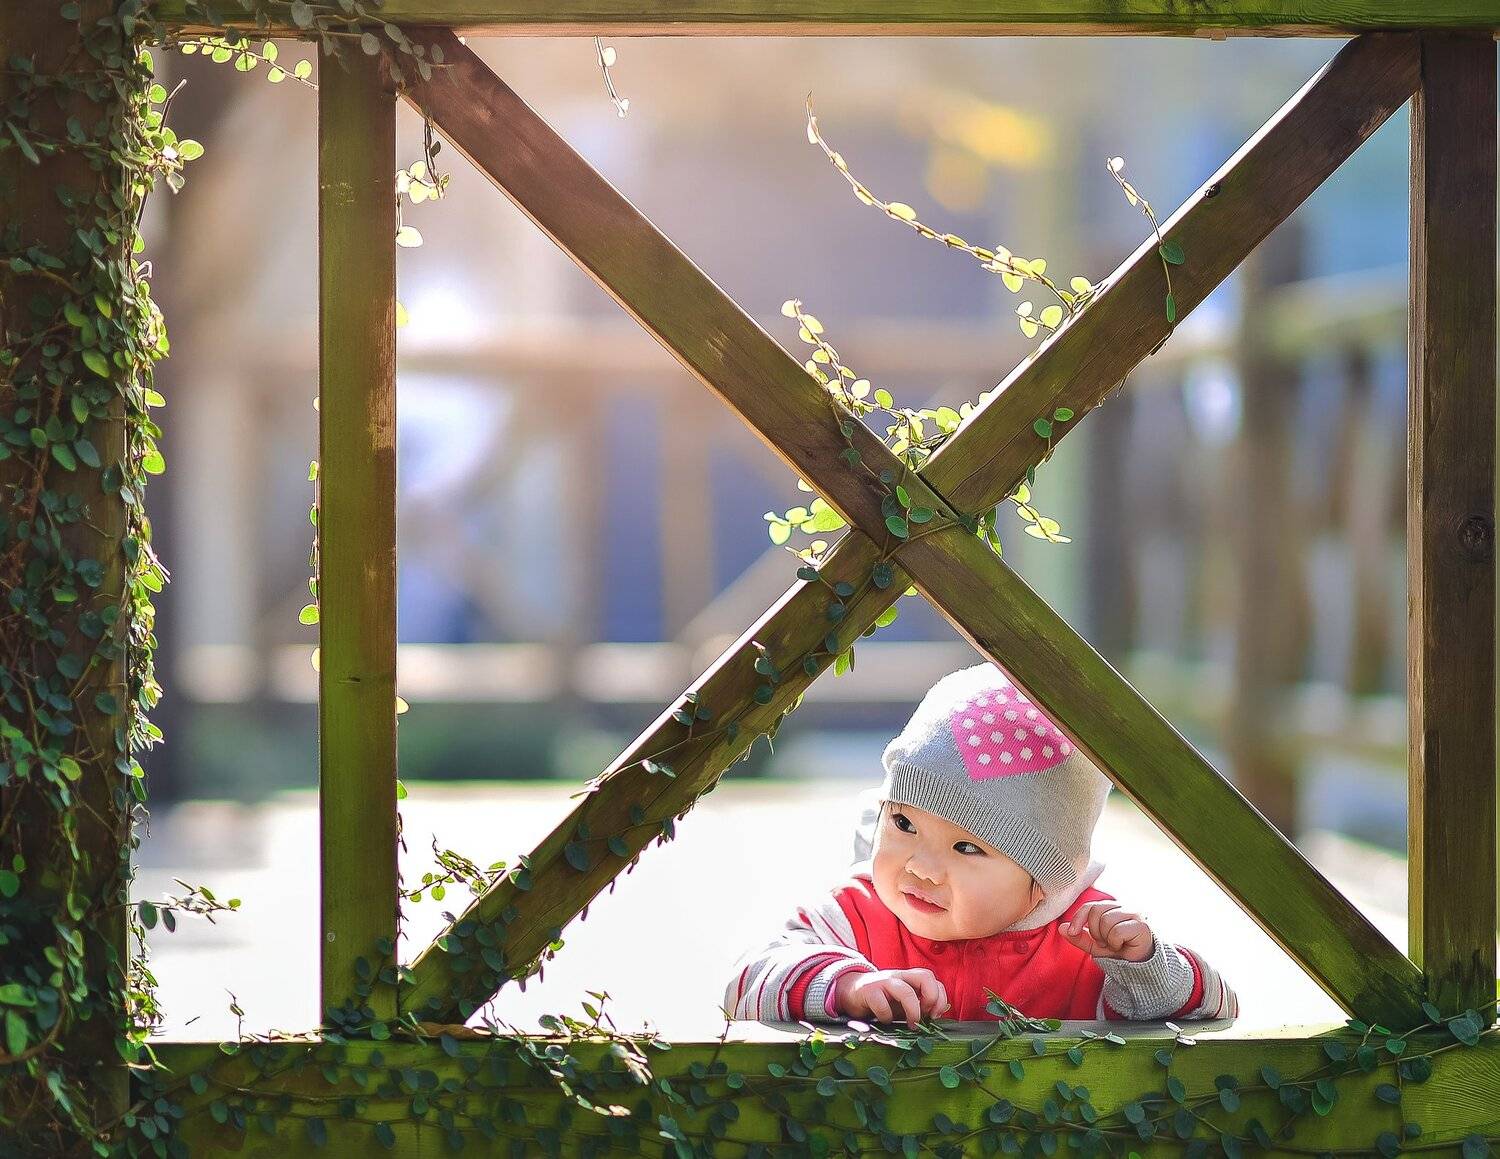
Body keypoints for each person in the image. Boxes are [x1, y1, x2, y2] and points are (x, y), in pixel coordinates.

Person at [723, 663, 1237, 1026]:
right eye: (903, 822)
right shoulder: (857, 916)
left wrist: (1146, 968)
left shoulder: (1086, 940)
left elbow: (1218, 1007)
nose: (921, 868)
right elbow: (744, 982)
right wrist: (846, 987)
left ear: (1043, 883)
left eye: (967, 848)